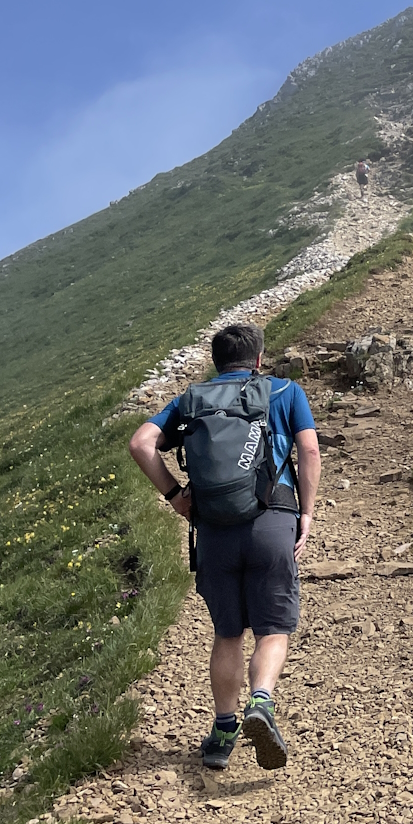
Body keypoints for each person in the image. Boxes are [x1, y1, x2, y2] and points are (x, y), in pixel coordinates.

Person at [128, 322, 320, 771]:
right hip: (272, 520)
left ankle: (224, 729)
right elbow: (309, 452)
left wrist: (177, 498)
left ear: (217, 363)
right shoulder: (284, 391)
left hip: (214, 529)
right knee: (273, 627)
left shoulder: (191, 401)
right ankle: (262, 702)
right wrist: (305, 513)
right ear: (258, 359)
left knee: (227, 633)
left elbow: (141, 443)